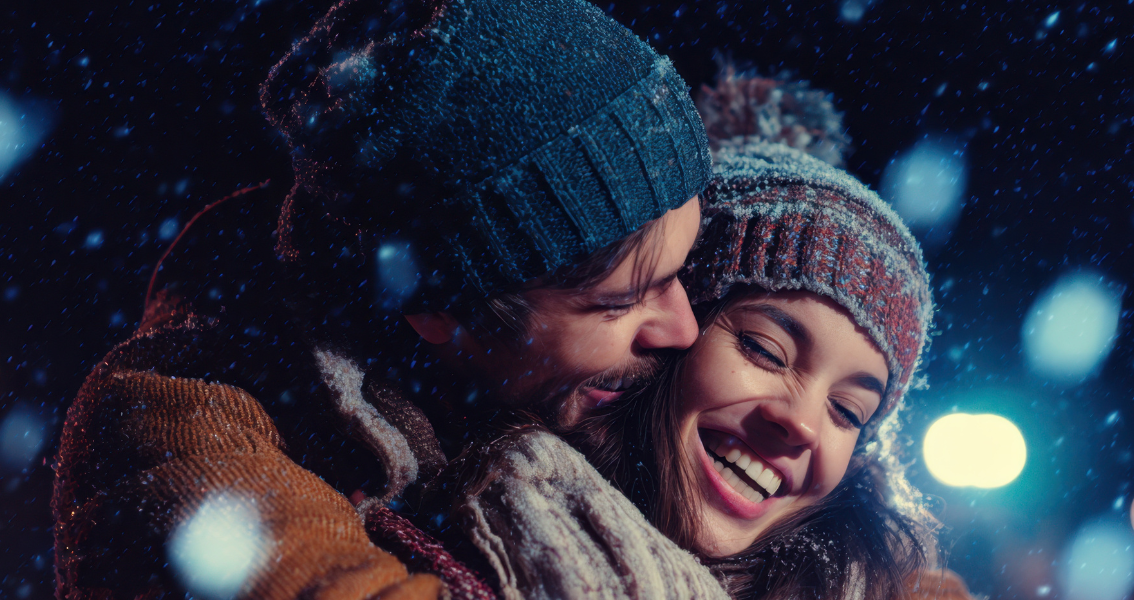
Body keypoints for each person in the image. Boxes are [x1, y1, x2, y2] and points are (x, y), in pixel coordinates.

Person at [49, 0, 712, 597]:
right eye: (622, 301)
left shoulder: (527, 394)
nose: (683, 328)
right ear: (443, 311)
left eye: (680, 274)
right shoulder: (180, 426)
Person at [429, 69, 951, 600]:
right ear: (671, 333)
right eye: (764, 350)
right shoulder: (424, 505)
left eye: (848, 412)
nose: (802, 423)